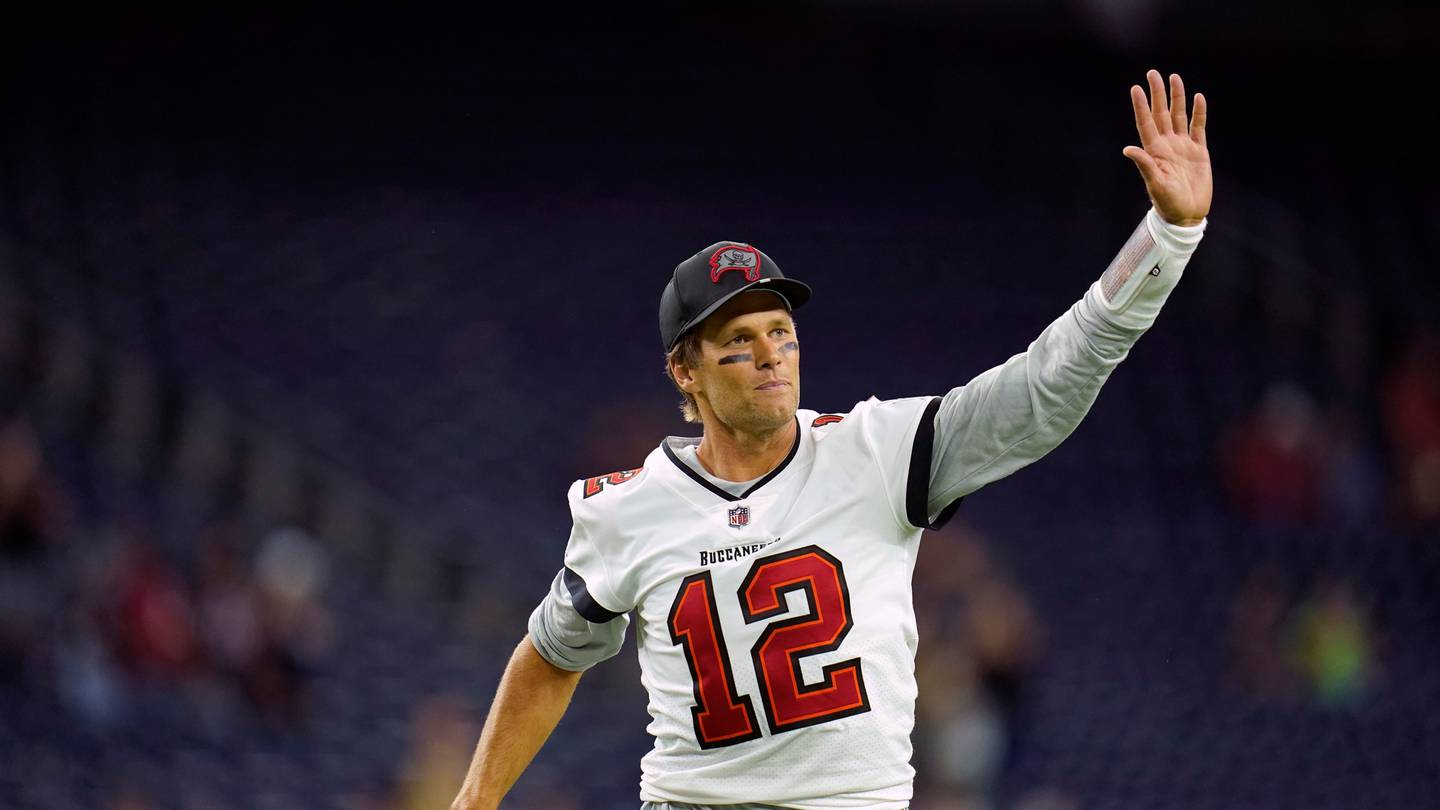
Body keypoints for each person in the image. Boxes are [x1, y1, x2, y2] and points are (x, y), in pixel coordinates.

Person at [453, 69, 1212, 810]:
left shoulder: (877, 450)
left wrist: (1167, 238)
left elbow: (1044, 387)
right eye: (737, 340)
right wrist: (476, 796)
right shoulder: (625, 510)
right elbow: (550, 657)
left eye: (779, 331)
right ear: (684, 371)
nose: (769, 356)